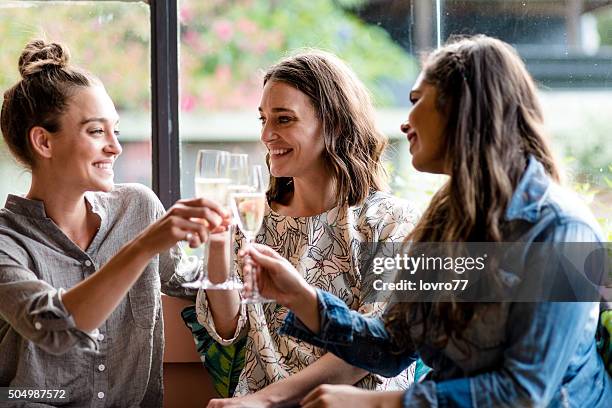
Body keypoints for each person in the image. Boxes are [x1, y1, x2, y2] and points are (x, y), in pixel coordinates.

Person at [242, 35, 612, 407]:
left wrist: (381, 404)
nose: (405, 124)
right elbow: (393, 346)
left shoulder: (563, 232)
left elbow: (523, 394)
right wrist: (301, 297)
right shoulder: (445, 217)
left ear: (461, 109)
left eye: (417, 101)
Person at [0, 40, 229, 407]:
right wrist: (143, 247)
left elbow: (202, 288)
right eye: (95, 131)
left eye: (116, 131)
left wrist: (224, 240)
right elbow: (53, 327)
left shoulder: (137, 207)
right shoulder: (6, 241)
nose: (115, 147)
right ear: (44, 141)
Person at [197, 50, 420, 406]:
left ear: (335, 123)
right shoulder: (251, 217)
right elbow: (228, 329)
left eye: (284, 120)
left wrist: (267, 400)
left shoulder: (392, 222)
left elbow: (375, 345)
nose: (267, 135)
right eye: (263, 119)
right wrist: (217, 243)